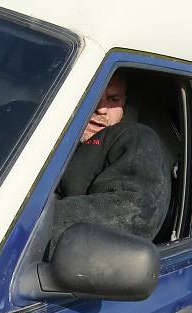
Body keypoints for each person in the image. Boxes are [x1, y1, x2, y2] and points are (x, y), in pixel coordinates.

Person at [52, 71, 171, 246]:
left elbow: (131, 212)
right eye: (91, 95)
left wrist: (33, 222)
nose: (101, 108)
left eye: (113, 99)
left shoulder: (134, 138)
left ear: (124, 103)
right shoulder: (42, 130)